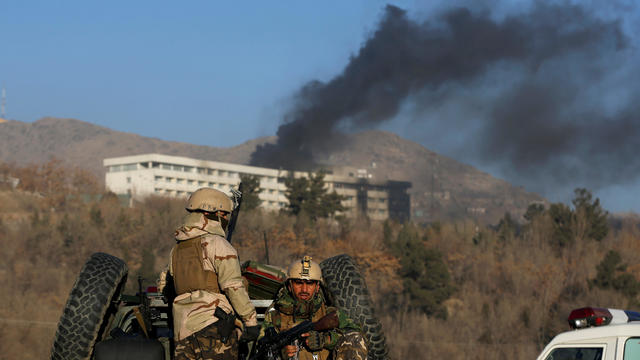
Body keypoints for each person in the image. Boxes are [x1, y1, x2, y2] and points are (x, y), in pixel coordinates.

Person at [159, 188, 259, 360]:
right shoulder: (218, 244)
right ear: (213, 213)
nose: (226, 219)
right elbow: (233, 286)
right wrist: (250, 322)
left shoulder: (177, 249)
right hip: (213, 327)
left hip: (181, 332)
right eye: (225, 214)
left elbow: (165, 287)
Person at [260, 256, 368, 360]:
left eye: (310, 283)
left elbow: (357, 333)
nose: (304, 289)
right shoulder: (274, 314)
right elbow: (261, 350)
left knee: (354, 339)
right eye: (298, 283)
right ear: (289, 285)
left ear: (317, 287)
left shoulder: (327, 311)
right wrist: (280, 355)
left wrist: (326, 340)